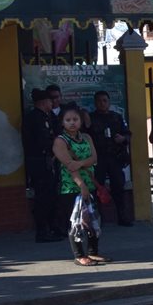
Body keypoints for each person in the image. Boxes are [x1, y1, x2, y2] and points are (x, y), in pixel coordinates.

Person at [53, 107, 106, 266]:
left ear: (81, 121)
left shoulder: (86, 137)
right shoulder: (60, 141)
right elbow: (70, 166)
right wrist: (81, 184)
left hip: (89, 183)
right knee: (76, 222)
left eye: (75, 119)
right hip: (71, 187)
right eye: (68, 120)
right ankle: (79, 255)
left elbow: (94, 158)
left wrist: (81, 163)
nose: (72, 123)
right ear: (62, 122)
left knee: (93, 219)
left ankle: (93, 252)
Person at [87, 90, 134, 226]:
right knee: (97, 188)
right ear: (95, 103)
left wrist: (123, 138)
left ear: (109, 102)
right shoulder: (91, 118)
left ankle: (122, 217)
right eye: (99, 101)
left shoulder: (116, 117)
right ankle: (97, 218)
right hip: (98, 158)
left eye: (104, 101)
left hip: (114, 157)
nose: (102, 103)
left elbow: (128, 134)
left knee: (118, 187)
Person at [22, 88, 62, 242]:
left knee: (52, 196)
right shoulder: (33, 118)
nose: (52, 104)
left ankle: (53, 227)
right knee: (43, 197)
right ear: (44, 102)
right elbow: (41, 141)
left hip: (50, 161)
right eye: (50, 101)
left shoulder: (49, 116)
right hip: (40, 162)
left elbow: (57, 132)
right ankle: (42, 231)